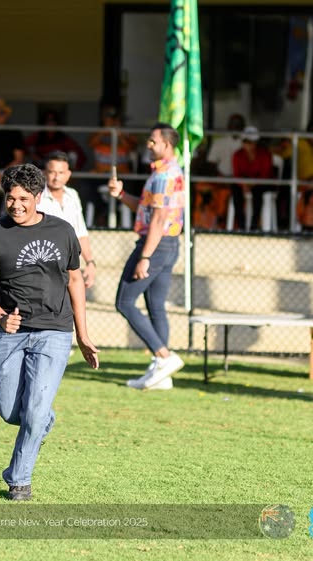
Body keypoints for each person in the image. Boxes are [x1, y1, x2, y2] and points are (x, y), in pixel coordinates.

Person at [0, 163, 99, 501]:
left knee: (36, 409)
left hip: (54, 330)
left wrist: (82, 334)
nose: (17, 205)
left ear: (38, 197)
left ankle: (19, 481)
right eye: (11, 199)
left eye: (24, 198)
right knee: (12, 411)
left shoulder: (63, 231)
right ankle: (39, 420)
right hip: (9, 334)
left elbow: (74, 280)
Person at [108, 123, 185, 390]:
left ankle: (164, 357)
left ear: (167, 145)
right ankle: (162, 373)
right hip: (168, 244)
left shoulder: (165, 175)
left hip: (156, 245)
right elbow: (147, 210)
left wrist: (145, 257)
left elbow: (159, 220)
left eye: (153, 141)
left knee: (124, 302)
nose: (148, 145)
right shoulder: (164, 173)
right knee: (155, 306)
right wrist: (121, 195)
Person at [36, 151, 96, 288]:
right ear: (44, 173)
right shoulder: (36, 198)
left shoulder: (73, 195)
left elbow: (80, 232)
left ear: (68, 174)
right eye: (52, 172)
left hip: (70, 265)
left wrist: (90, 262)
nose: (56, 177)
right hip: (43, 266)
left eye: (61, 173)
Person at [86, 104, 139, 226]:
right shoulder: (98, 135)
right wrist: (106, 129)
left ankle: (126, 222)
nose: (111, 121)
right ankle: (97, 219)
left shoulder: (126, 135)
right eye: (108, 117)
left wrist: (118, 133)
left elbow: (132, 146)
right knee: (89, 189)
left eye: (114, 118)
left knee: (130, 188)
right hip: (100, 176)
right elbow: (90, 142)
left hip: (122, 177)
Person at [230, 125, 276, 231]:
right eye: (246, 141)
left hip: (261, 184)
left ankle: (254, 226)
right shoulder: (237, 155)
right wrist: (244, 184)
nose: (249, 145)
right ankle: (241, 226)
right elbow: (237, 175)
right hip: (244, 183)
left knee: (257, 192)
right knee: (235, 190)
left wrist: (252, 184)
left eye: (251, 142)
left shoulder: (265, 154)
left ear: (256, 143)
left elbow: (266, 174)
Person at [206, 113, 245, 177]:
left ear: (243, 126)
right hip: (222, 179)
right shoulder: (218, 143)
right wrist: (220, 176)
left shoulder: (248, 144)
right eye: (233, 124)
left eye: (239, 124)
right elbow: (211, 163)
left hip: (242, 180)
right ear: (228, 126)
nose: (236, 127)